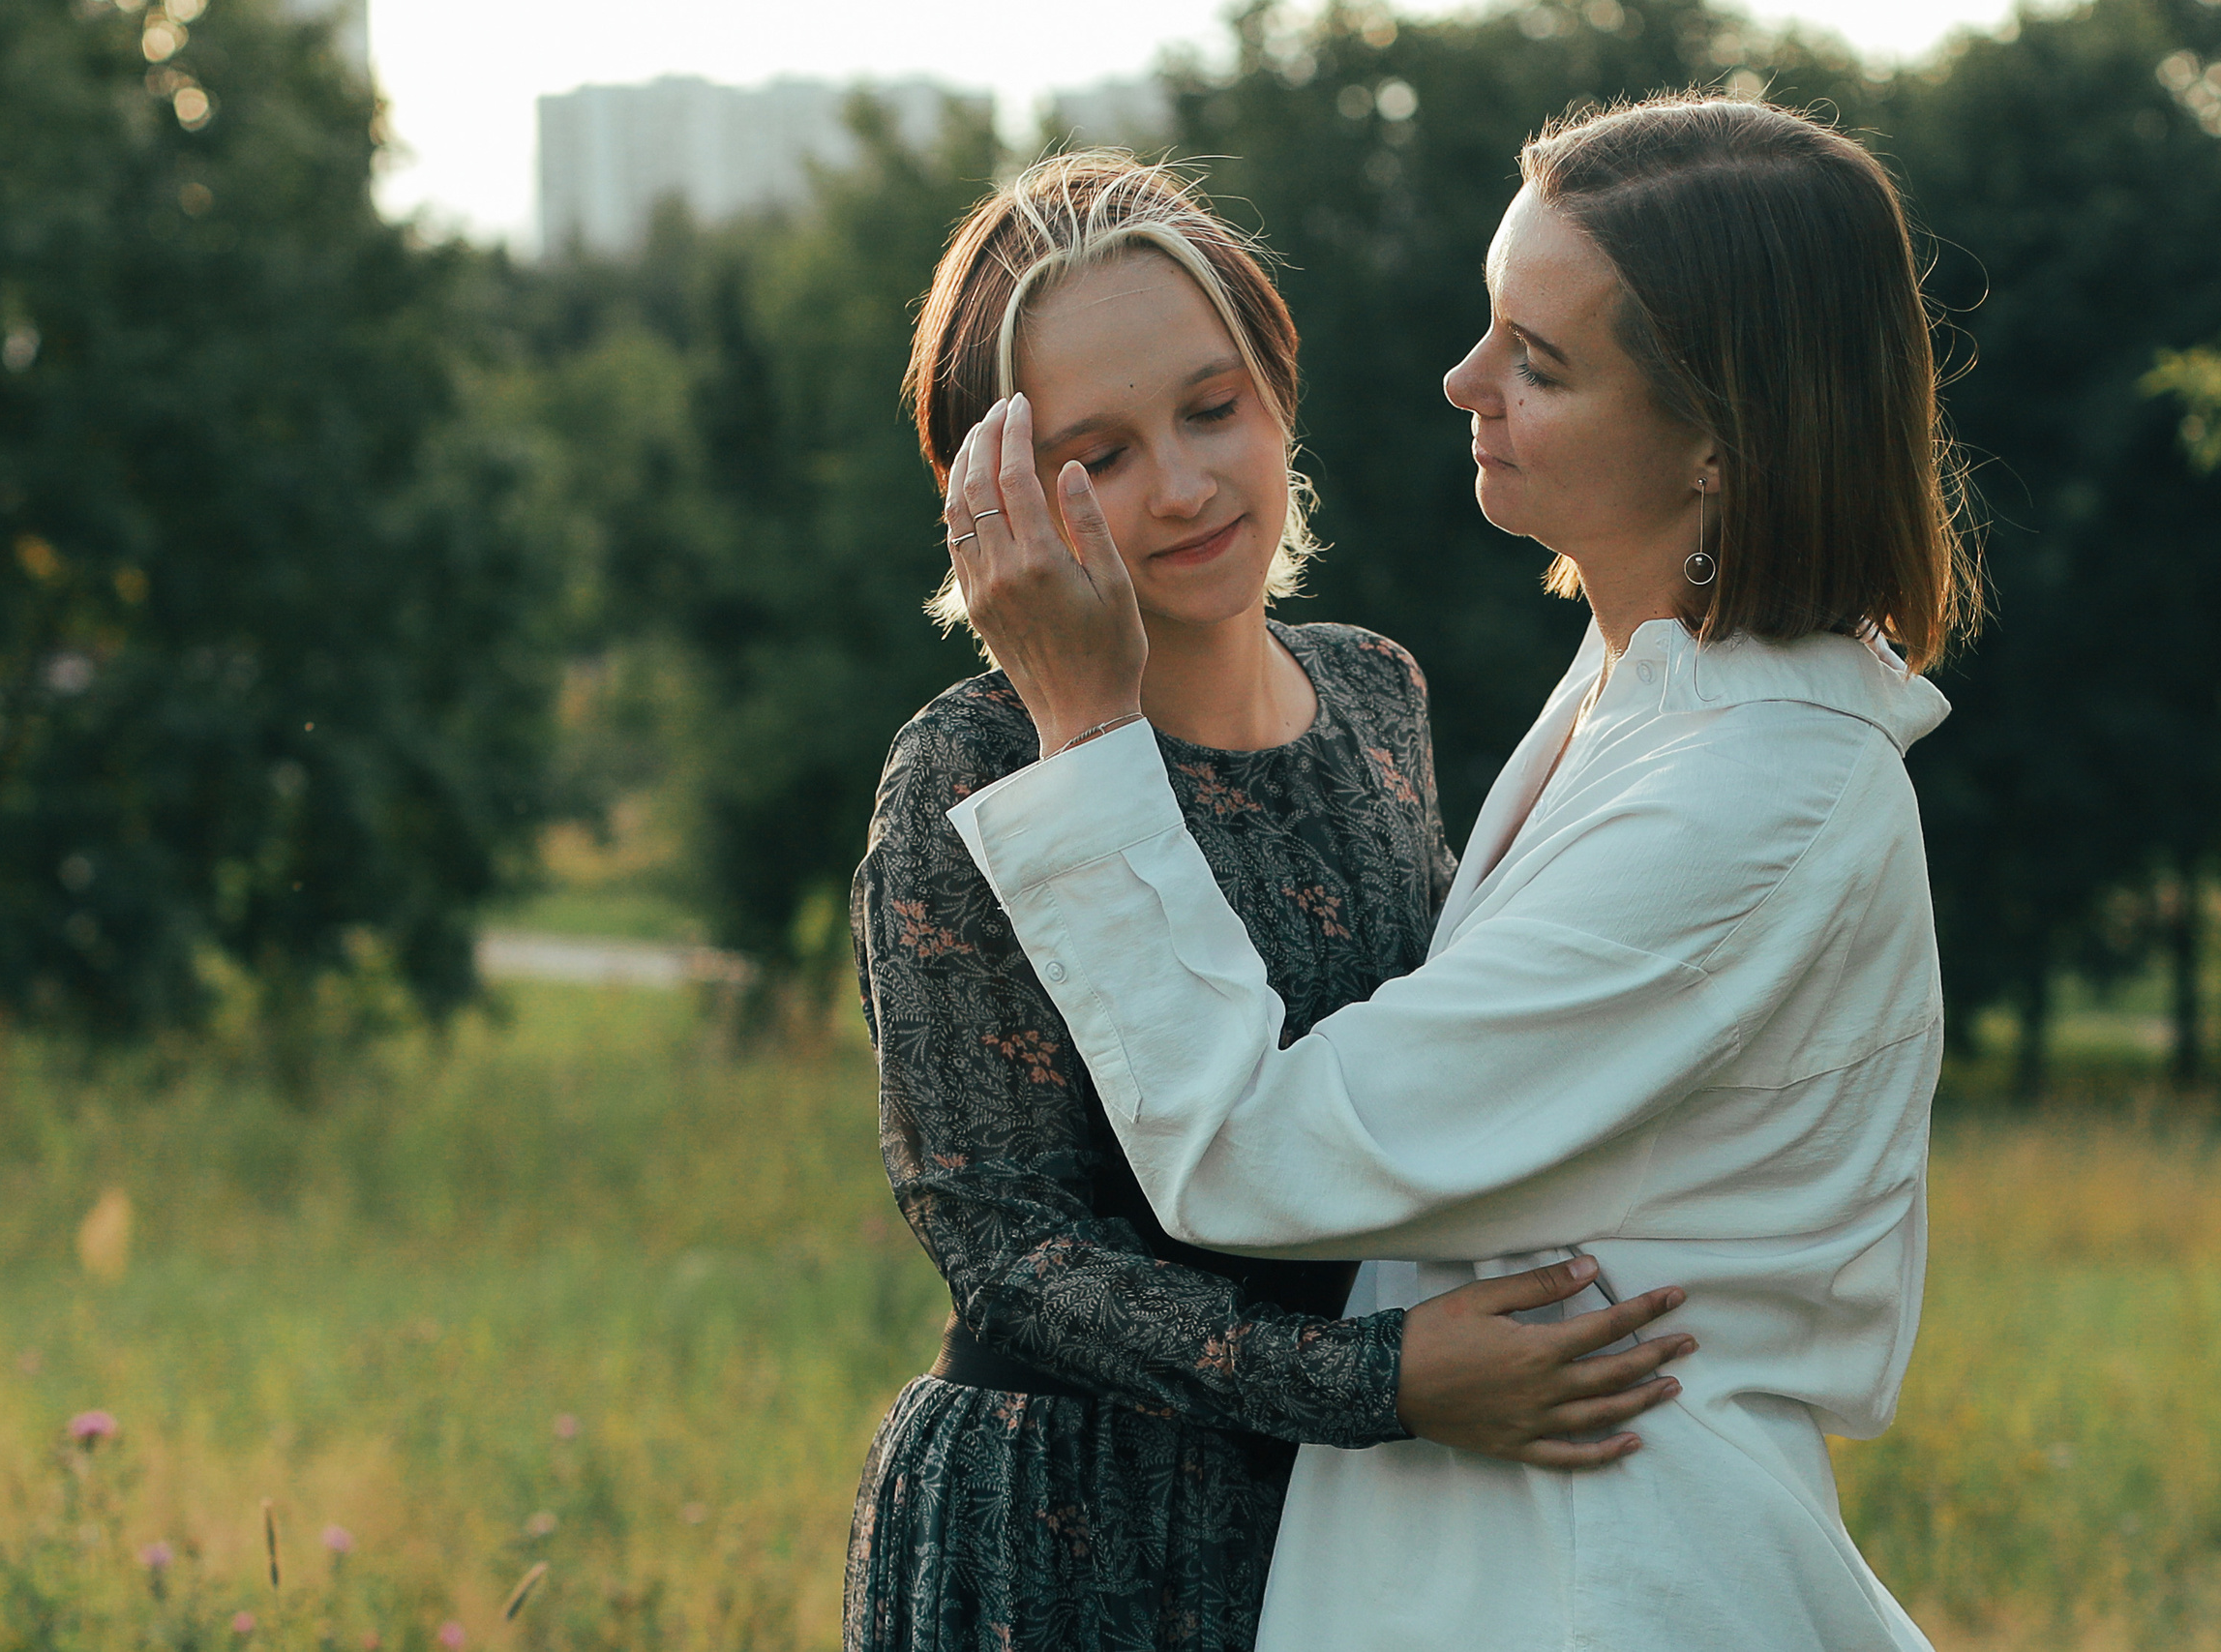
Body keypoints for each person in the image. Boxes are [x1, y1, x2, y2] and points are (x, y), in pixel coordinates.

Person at [940, 97, 1981, 1651]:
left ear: (1720, 439)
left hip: (1589, 1561)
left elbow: (1249, 1147)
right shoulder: (1647, 682)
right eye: (1494, 324)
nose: (1460, 381)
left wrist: (1089, 730)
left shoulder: (1757, 793)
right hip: (1472, 1536)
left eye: (1539, 362)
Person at [844, 150, 1692, 1652]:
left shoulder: (1375, 695)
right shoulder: (967, 769)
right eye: (1093, 456)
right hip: (1072, 1529)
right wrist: (1383, 1382)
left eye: (1210, 408)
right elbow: (1010, 1251)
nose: (1177, 486)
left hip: (1368, 1523)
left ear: (1279, 394)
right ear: (998, 501)